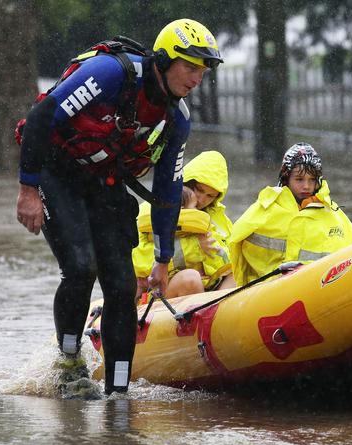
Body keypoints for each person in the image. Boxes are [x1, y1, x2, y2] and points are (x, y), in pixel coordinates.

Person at [14, 19, 223, 395]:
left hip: (104, 181)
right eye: (190, 67)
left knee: (123, 286)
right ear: (163, 60)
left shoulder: (177, 120)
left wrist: (162, 258)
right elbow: (41, 117)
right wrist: (28, 189)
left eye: (202, 72)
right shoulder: (110, 73)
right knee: (81, 267)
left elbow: (168, 189)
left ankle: (119, 395)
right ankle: (69, 361)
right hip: (55, 171)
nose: (196, 80)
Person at [230, 142, 352, 286]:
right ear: (286, 179)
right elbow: (235, 248)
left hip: (318, 291)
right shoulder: (265, 209)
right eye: (299, 179)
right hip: (267, 293)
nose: (307, 186)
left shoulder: (334, 213)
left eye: (312, 179)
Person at [133, 150, 236, 300]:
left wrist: (210, 255)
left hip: (207, 290)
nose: (201, 199)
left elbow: (229, 260)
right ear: (186, 181)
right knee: (190, 279)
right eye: (199, 190)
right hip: (159, 292)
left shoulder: (219, 218)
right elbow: (137, 263)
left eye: (210, 196)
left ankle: (219, 315)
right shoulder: (152, 209)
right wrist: (195, 247)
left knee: (238, 273)